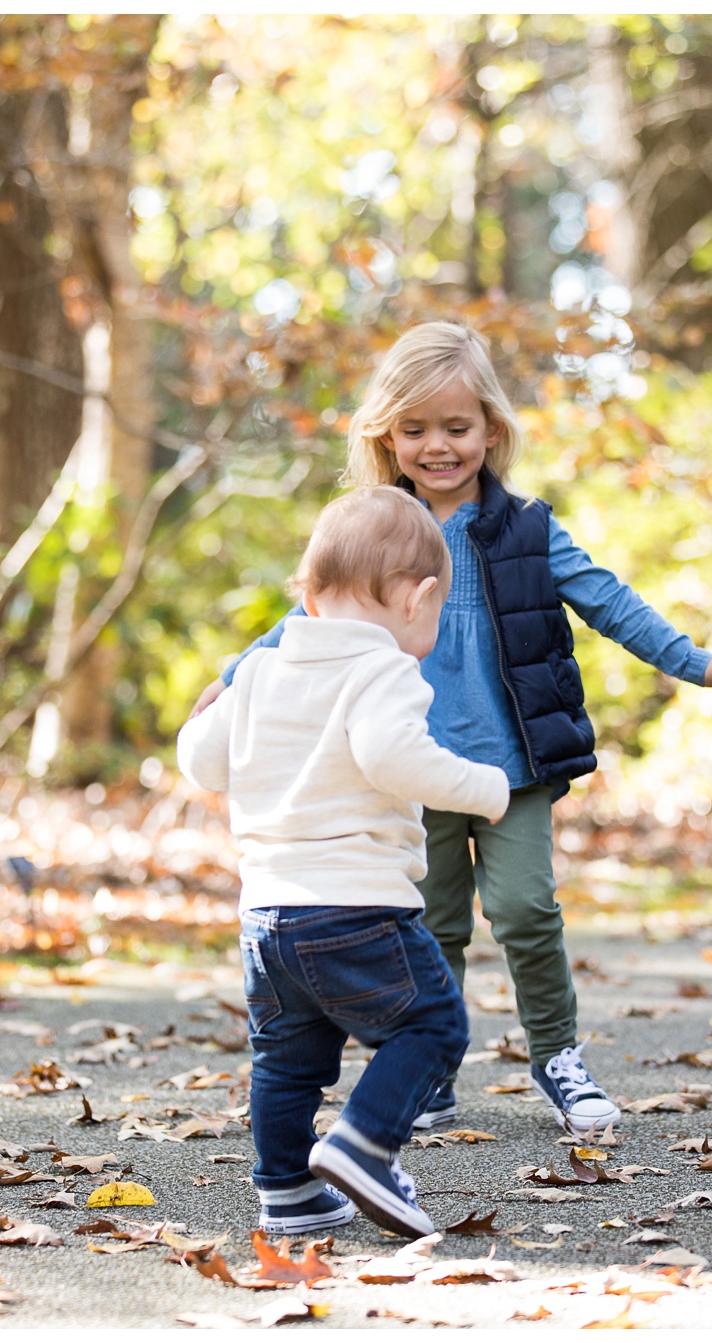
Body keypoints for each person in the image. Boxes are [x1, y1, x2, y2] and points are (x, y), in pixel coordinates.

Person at [192, 321, 712, 1138]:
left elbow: (607, 598)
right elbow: (307, 616)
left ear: (492, 428)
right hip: (406, 766)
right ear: (386, 434)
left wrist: (692, 660)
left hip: (512, 762)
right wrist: (236, 675)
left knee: (526, 909)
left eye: (457, 428)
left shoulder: (526, 528)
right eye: (415, 429)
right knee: (430, 924)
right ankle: (433, 1069)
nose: (438, 446)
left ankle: (557, 1054)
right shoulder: (377, 527)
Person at [177, 486, 510, 1240]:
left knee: (287, 1062)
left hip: (267, 918)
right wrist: (484, 787)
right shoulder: (384, 667)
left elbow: (199, 756)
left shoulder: (258, 670)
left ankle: (287, 1192)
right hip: (357, 907)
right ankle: (365, 1143)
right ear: (417, 598)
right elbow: (394, 755)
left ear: (310, 594)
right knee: (431, 1024)